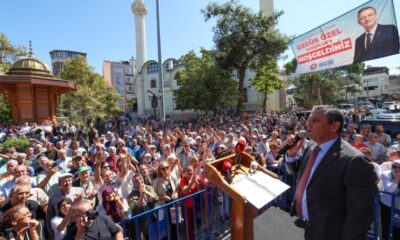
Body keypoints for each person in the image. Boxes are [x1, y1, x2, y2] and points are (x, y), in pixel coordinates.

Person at [285, 106, 377, 239]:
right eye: (309, 119)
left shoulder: (355, 161)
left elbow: (359, 216)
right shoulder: (312, 147)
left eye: (315, 120)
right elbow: (295, 172)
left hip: (332, 233)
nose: (308, 124)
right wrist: (291, 155)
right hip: (309, 226)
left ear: (334, 126)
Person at [380, 160, 400, 240]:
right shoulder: (385, 174)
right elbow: (390, 189)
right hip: (387, 205)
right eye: (395, 167)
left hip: (398, 207)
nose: (397, 169)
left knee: (397, 229)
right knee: (387, 227)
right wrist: (396, 179)